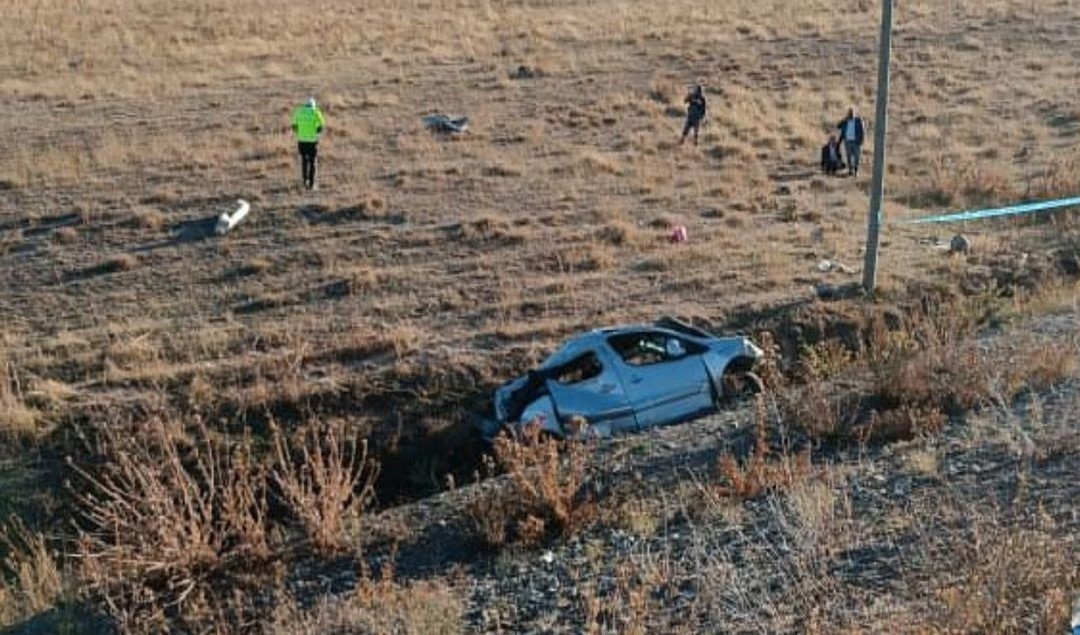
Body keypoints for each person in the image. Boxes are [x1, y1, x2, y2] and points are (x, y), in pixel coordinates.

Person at [291, 97, 325, 190]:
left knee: (304, 161)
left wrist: (299, 133)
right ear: (313, 105)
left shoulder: (299, 112)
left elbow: (293, 125)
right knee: (313, 161)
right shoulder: (315, 112)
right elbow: (322, 125)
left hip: (301, 141)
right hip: (313, 141)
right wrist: (317, 132)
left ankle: (304, 181)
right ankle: (312, 184)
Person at [836, 107, 865, 176]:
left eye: (852, 113)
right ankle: (850, 170)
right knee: (848, 156)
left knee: (856, 157)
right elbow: (838, 126)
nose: (851, 114)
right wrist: (844, 119)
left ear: (855, 113)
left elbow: (862, 131)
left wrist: (861, 141)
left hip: (856, 141)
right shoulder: (846, 121)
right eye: (849, 113)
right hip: (847, 141)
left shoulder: (859, 120)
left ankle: (856, 170)